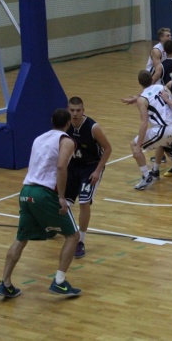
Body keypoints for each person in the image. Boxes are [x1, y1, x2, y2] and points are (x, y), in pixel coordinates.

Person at [0, 108, 82, 298]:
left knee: (21, 238)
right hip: (44, 193)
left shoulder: (39, 138)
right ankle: (59, 281)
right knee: (73, 236)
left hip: (26, 191)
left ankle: (5, 283)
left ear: (51, 121)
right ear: (68, 123)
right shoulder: (66, 141)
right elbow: (61, 166)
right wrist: (62, 197)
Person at [65, 96, 112, 258]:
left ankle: (80, 241)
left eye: (78, 110)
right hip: (73, 166)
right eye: (72, 110)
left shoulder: (93, 127)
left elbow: (108, 149)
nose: (75, 114)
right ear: (68, 111)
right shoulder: (65, 125)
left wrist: (97, 171)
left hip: (91, 167)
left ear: (83, 111)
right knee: (64, 203)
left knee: (84, 202)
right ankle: (61, 229)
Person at [131, 70, 172, 190]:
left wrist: (138, 146)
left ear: (139, 83)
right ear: (152, 78)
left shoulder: (142, 99)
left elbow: (144, 123)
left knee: (133, 144)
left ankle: (146, 176)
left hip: (164, 129)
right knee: (162, 143)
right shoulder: (162, 87)